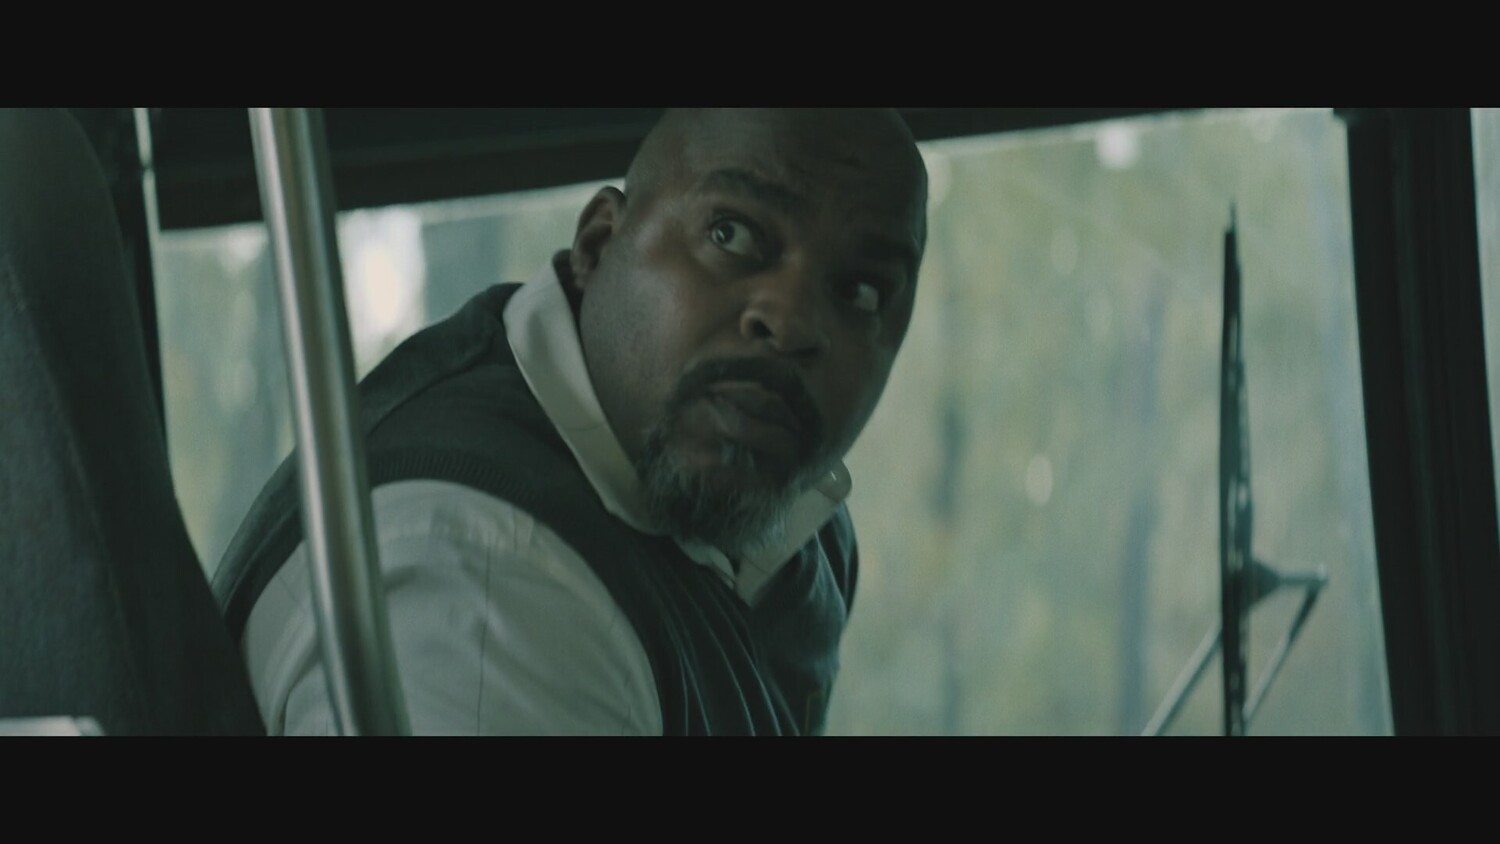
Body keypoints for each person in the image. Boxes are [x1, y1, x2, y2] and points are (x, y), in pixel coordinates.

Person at [213, 108, 930, 735]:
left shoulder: (797, 514)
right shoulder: (490, 586)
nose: (792, 320)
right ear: (597, 245)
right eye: (731, 233)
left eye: (860, 290)